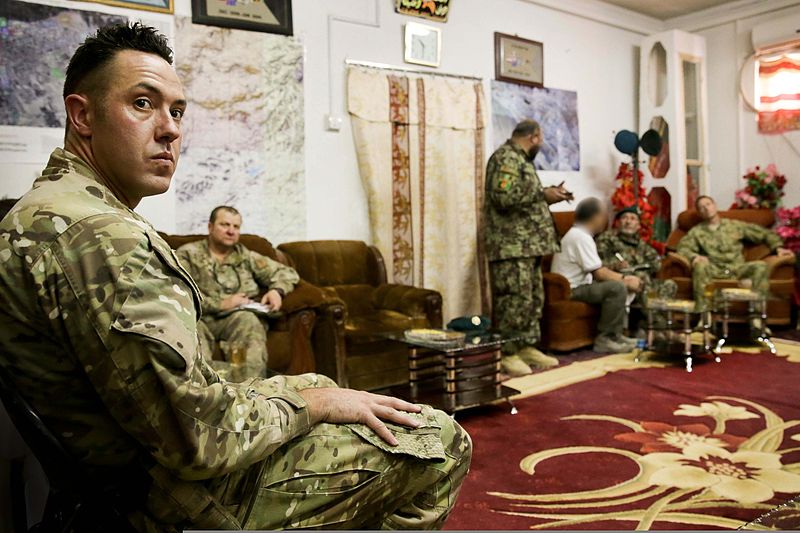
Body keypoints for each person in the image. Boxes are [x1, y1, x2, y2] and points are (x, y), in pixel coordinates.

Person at [0, 23, 471, 531]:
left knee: (317, 384)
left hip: (122, 467)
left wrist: (304, 391)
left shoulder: (44, 211)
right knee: (439, 439)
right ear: (82, 114)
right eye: (142, 103)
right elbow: (201, 440)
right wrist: (309, 404)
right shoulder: (102, 237)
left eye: (177, 110)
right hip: (167, 494)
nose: (170, 129)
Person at [484, 119, 573, 377]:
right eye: (541, 139)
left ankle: (526, 347)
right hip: (511, 246)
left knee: (532, 300)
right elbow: (502, 197)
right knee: (514, 300)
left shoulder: (521, 161)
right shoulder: (506, 158)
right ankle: (507, 352)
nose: (541, 144)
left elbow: (522, 195)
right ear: (534, 137)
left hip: (528, 246)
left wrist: (548, 193)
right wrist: (542, 195)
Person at [176, 206, 299, 379]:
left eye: (236, 227)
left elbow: (286, 272)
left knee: (249, 322)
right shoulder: (188, 254)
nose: (231, 231)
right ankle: (204, 394)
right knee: (189, 328)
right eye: (225, 225)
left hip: (236, 318)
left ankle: (250, 393)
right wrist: (221, 303)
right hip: (200, 316)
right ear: (210, 227)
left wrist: (276, 291)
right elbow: (178, 291)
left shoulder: (245, 256)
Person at [551, 198, 642, 353]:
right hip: (571, 289)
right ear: (596, 217)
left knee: (619, 284)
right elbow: (599, 273)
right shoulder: (580, 236)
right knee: (617, 288)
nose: (605, 220)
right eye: (604, 216)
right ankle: (606, 339)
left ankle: (616, 335)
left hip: (581, 286)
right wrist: (625, 280)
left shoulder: (580, 234)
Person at [677, 195, 794, 310]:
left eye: (708, 204)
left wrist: (778, 247)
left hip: (738, 269)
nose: (706, 209)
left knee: (761, 266)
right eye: (702, 207)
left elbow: (765, 234)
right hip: (715, 270)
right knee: (700, 266)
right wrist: (694, 257)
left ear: (715, 206)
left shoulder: (734, 225)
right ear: (700, 213)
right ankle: (704, 315)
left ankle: (757, 317)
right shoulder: (697, 231)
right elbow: (683, 248)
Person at [596, 206, 677, 309]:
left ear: (638, 226)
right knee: (641, 279)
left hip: (645, 281)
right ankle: (655, 320)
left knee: (670, 284)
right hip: (620, 279)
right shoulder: (607, 239)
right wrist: (616, 265)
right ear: (618, 223)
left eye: (632, 218)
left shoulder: (640, 243)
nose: (628, 222)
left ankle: (656, 316)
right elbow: (596, 264)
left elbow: (656, 263)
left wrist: (648, 265)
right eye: (624, 218)